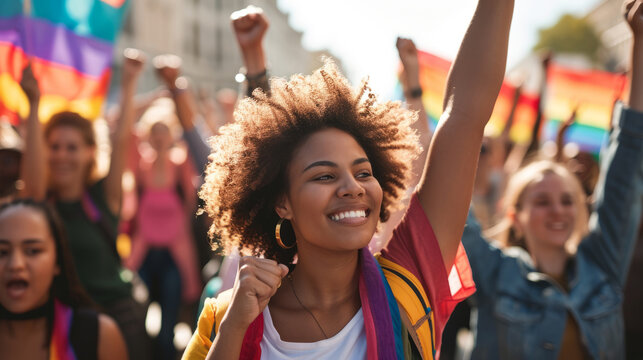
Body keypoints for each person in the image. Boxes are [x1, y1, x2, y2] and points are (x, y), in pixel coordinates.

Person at [183, 0, 514, 359]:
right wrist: (234, 329)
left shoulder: (408, 282)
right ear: (283, 202)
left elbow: (464, 114)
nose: (353, 187)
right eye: (324, 175)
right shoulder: (227, 317)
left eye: (364, 172)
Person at [461, 1, 643, 358]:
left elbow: (627, 157)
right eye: (542, 201)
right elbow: (447, 188)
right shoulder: (494, 271)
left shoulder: (602, 265)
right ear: (515, 214)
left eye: (567, 200)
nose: (557, 210)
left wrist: (640, 39)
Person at [20, 50, 151, 360]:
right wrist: (34, 102)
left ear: (91, 152)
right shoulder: (42, 205)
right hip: (66, 326)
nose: (61, 156)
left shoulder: (103, 196)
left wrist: (130, 81)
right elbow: (33, 183)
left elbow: (120, 141)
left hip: (118, 320)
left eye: (72, 147)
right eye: (54, 147)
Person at [0, 198, 127, 360]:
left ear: (57, 261)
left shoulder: (99, 335)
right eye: (2, 252)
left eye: (32, 251)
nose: (15, 265)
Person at [125, 101, 202, 360]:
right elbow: (125, 128)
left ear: (170, 134)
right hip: (144, 252)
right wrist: (156, 95)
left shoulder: (181, 165)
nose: (158, 137)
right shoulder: (140, 164)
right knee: (138, 313)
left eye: (163, 131)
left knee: (168, 322)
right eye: (154, 131)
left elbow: (193, 200)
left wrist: (176, 96)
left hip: (174, 254)